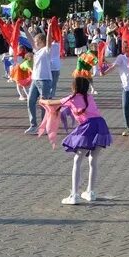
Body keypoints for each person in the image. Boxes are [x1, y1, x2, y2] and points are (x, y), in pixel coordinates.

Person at [42, 76, 113, 204]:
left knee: (77, 160)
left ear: (74, 87)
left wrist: (41, 100)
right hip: (101, 125)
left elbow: (50, 103)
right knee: (93, 160)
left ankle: (74, 195)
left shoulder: (71, 98)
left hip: (88, 127)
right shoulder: (90, 97)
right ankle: (90, 192)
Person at [102, 47, 129, 137]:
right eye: (125, 47)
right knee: (125, 105)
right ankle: (128, 127)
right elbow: (113, 66)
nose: (127, 49)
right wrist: (104, 73)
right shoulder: (121, 58)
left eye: (128, 47)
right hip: (126, 87)